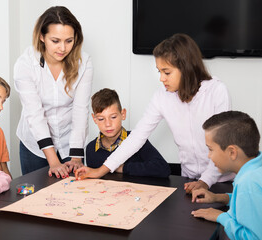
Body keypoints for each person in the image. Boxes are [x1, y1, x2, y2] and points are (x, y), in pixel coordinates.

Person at [75, 33, 234, 192]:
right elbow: (136, 137)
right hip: (188, 179)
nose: (161, 79)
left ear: (186, 68)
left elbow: (222, 145)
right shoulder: (161, 97)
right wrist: (100, 171)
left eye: (167, 72)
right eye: (159, 72)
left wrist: (205, 181)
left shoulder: (216, 91)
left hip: (221, 180)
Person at [14, 6, 93, 178]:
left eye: (69, 41)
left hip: (69, 141)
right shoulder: (25, 64)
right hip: (34, 144)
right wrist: (53, 161)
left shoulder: (84, 62)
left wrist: (77, 156)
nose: (63, 48)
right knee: (36, 200)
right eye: (55, 41)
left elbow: (80, 110)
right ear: (42, 37)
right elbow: (34, 114)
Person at [191, 111, 262, 240]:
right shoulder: (256, 167)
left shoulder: (248, 183)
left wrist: (221, 217)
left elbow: (252, 237)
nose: (209, 155)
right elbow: (254, 204)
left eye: (211, 149)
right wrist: (219, 198)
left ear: (232, 152)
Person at [86, 88, 170, 177]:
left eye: (113, 117)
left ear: (123, 114)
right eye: (101, 119)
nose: (108, 124)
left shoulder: (138, 140)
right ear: (94, 119)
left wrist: (123, 168)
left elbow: (163, 168)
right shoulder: (91, 149)